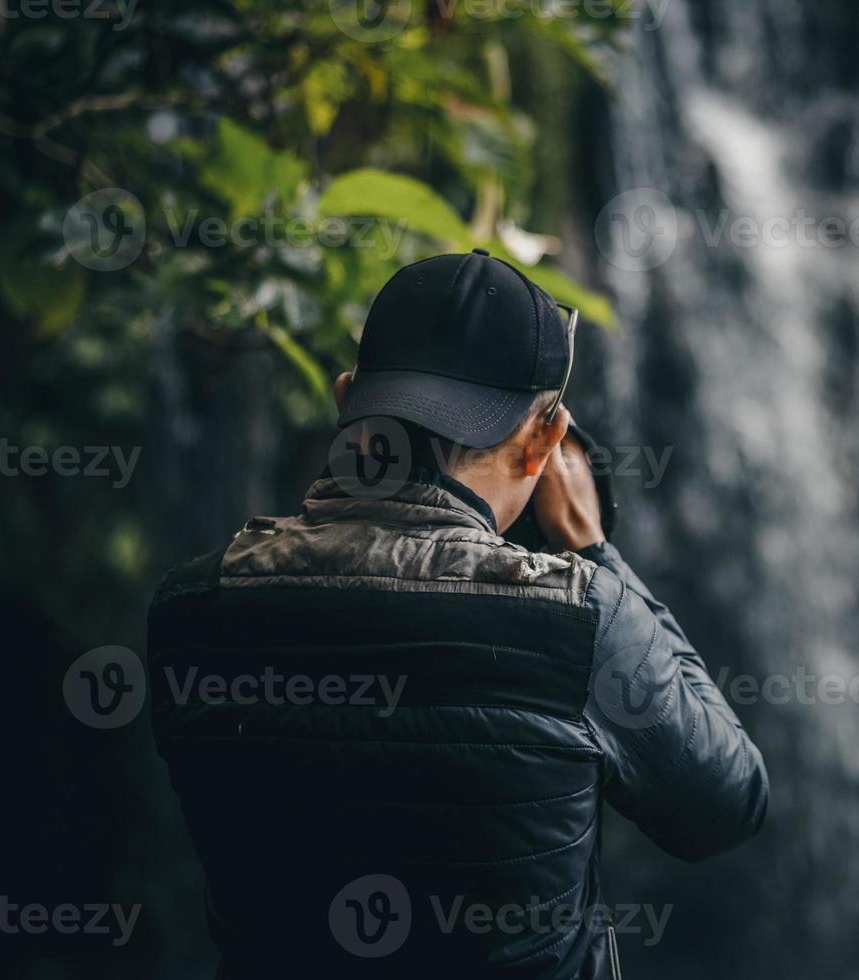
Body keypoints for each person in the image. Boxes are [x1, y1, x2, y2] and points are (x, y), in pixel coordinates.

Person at [147, 250, 769, 979]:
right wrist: (592, 550)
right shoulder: (582, 619)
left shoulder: (194, 606)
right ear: (544, 438)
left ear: (348, 400)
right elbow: (726, 805)